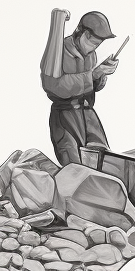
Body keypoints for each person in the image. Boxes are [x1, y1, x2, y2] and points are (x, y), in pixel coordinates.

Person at [42, 10, 120, 165]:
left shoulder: (91, 56)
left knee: (104, 162)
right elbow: (56, 86)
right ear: (81, 33)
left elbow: (92, 86)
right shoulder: (58, 52)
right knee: (74, 167)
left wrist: (101, 76)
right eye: (92, 42)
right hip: (65, 117)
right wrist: (92, 75)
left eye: (98, 44)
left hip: (88, 116)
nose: (93, 48)